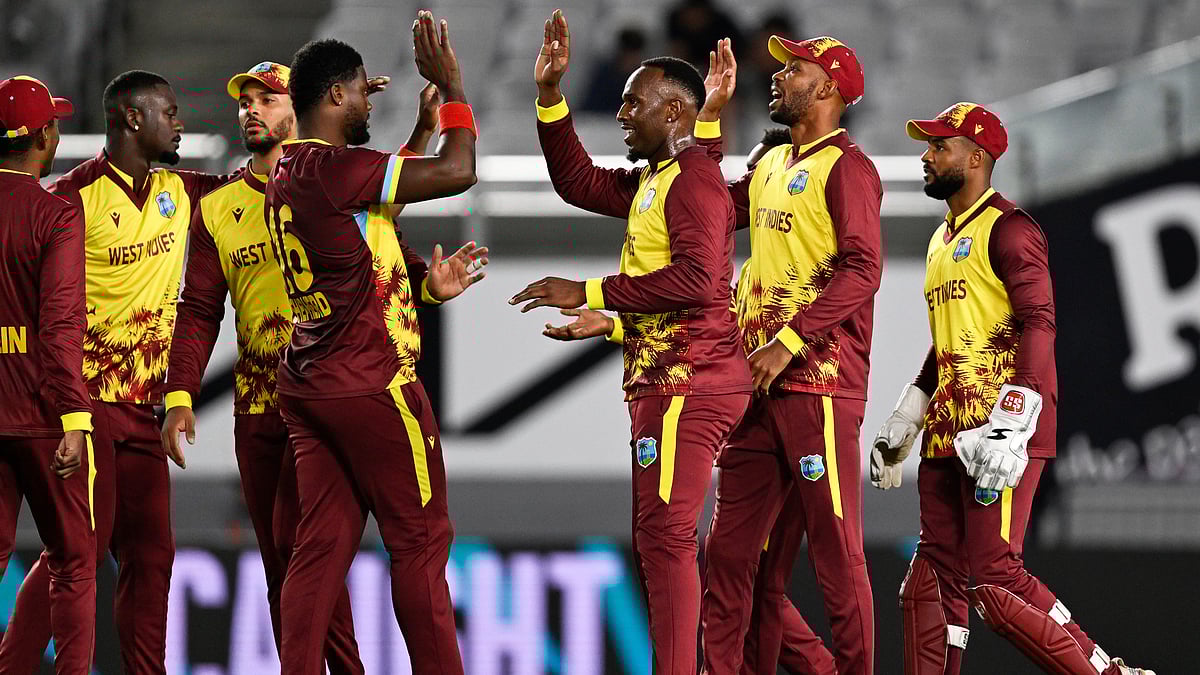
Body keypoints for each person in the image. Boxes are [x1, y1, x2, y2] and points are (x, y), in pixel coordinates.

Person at [872, 101, 1155, 675]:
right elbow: (951, 341)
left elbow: (1039, 321)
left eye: (938, 147)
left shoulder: (1010, 228)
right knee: (931, 582)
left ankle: (1105, 674)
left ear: (976, 156)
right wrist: (911, 409)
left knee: (994, 581)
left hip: (1000, 433)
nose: (925, 157)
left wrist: (1015, 416)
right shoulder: (941, 239)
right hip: (950, 432)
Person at [511, 10, 751, 673]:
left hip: (688, 382)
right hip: (668, 376)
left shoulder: (692, 180)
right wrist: (551, 96)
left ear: (673, 112)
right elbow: (578, 182)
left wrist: (591, 293)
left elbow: (700, 280)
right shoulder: (655, 178)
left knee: (666, 541)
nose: (620, 111)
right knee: (666, 542)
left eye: (632, 102)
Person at [265, 14, 484, 673]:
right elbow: (458, 170)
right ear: (335, 96)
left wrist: (413, 131)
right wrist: (451, 88)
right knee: (420, 540)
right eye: (360, 90)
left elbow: (372, 202)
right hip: (374, 383)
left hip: (310, 385)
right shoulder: (334, 171)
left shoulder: (289, 173)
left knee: (321, 548)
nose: (368, 100)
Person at [0, 69, 229, 675]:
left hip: (143, 410)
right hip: (88, 404)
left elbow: (247, 191)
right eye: (169, 112)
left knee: (153, 555)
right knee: (80, 552)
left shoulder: (180, 191)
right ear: (133, 119)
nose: (180, 123)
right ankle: (16, 665)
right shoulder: (71, 199)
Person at [159, 60, 370, 672]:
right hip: (258, 405)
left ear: (296, 109)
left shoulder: (330, 183)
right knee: (284, 563)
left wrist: (430, 288)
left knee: (308, 553)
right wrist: (178, 397)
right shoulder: (220, 205)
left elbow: (387, 258)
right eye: (245, 100)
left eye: (266, 99)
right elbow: (198, 309)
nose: (250, 109)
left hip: (327, 394)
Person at [697, 35, 881, 675]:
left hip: (819, 387)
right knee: (728, 555)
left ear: (828, 88)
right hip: (756, 386)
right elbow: (706, 211)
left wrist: (789, 340)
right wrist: (708, 121)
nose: (777, 78)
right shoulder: (773, 165)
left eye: (793, 70)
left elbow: (863, 270)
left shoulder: (849, 169)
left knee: (836, 557)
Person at [726, 126, 839, 675]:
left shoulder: (804, 272)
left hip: (803, 406)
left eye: (761, 176)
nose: (753, 190)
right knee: (743, 570)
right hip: (754, 416)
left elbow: (859, 275)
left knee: (754, 572)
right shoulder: (748, 279)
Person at [0, 75, 95, 675]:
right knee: (74, 559)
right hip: (38, 413)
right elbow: (60, 325)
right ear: (43, 136)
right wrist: (75, 415)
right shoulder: (55, 212)